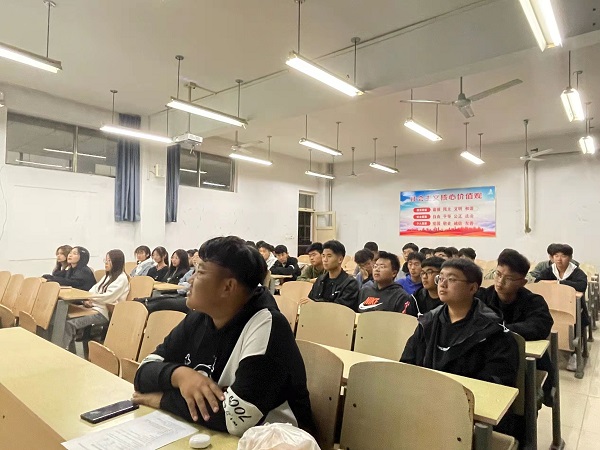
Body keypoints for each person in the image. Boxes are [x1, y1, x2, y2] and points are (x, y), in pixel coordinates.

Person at [133, 236, 314, 436]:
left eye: (200, 272)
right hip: (211, 433)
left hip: (275, 440)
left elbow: (234, 418)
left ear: (228, 287)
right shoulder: (199, 317)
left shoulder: (268, 326)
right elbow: (143, 373)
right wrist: (180, 376)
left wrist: (162, 399)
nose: (190, 280)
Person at [401, 258, 519, 387]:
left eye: (451, 279)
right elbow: (407, 364)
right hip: (425, 392)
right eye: (440, 278)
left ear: (472, 288)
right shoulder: (428, 322)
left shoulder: (492, 330)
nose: (442, 284)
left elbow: (497, 382)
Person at [478, 249, 555, 403]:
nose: (500, 282)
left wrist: (500, 329)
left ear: (522, 282)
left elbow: (540, 326)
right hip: (488, 359)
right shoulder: (482, 297)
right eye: (498, 274)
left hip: (527, 363)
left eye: (508, 279)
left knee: (522, 401)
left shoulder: (534, 301)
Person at [61, 249, 130, 351]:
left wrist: (91, 299)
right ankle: (69, 351)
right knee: (64, 318)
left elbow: (108, 297)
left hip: (103, 313)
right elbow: (94, 289)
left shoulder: (121, 278)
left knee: (70, 324)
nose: (106, 263)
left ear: (116, 262)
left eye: (109, 261)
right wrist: (86, 299)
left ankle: (61, 350)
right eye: (105, 260)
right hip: (93, 308)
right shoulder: (108, 276)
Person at [535, 243, 589, 371]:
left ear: (570, 257)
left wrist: (559, 283)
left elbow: (581, 285)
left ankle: (574, 353)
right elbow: (538, 282)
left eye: (563, 256)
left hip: (573, 309)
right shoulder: (550, 270)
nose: (559, 259)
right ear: (552, 257)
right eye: (556, 256)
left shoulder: (576, 272)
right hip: (553, 306)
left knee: (574, 323)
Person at [307, 240, 359, 311]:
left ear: (340, 259)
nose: (325, 260)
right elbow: (311, 300)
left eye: (329, 256)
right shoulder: (320, 280)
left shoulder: (350, 283)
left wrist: (316, 304)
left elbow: (340, 308)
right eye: (323, 256)